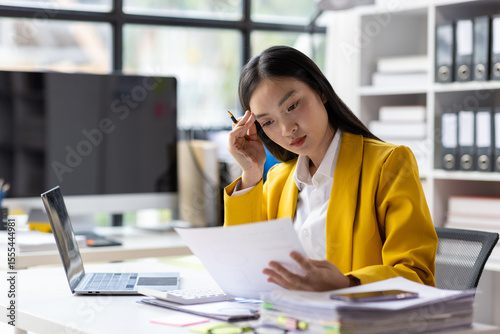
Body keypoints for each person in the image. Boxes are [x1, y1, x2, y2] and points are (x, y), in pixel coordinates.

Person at [224, 45, 437, 292]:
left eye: (292, 106)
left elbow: (417, 275)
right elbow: (242, 267)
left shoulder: (388, 164)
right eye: (268, 121)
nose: (287, 129)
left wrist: (349, 283)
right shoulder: (278, 180)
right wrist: (251, 173)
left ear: (320, 90)